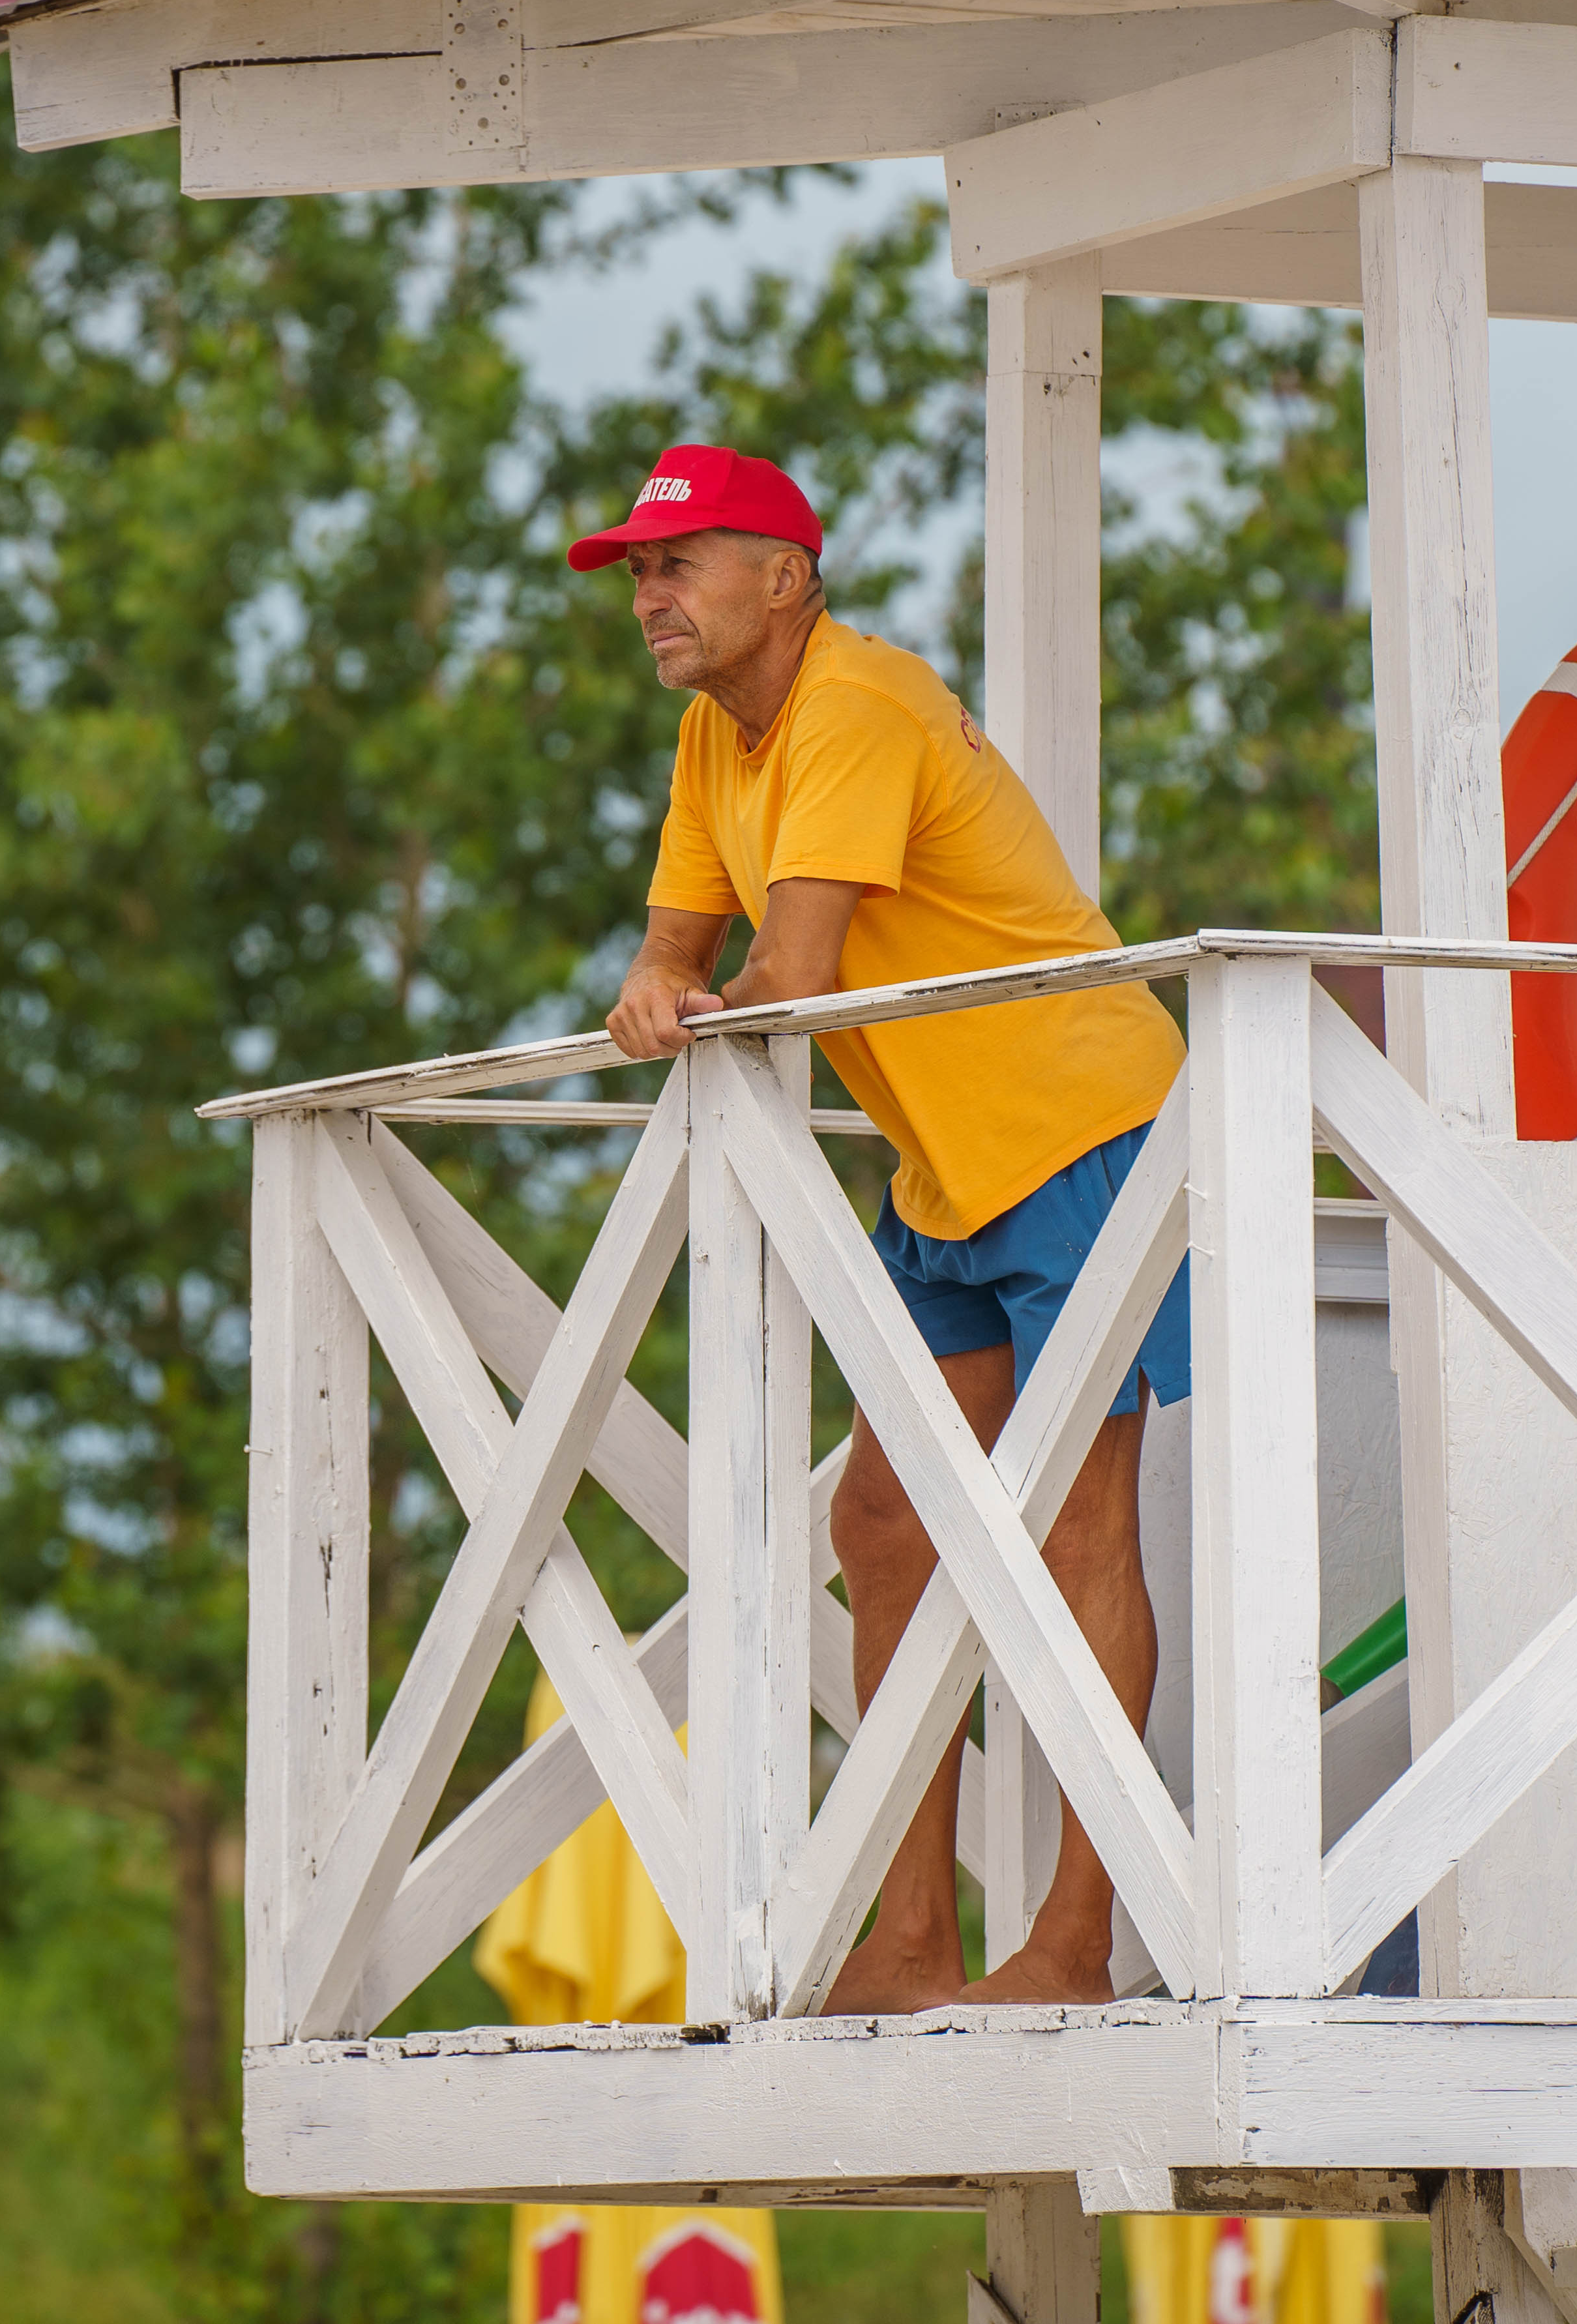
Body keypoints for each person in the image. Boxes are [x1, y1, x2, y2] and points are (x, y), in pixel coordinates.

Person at [580, 443, 1188, 2012]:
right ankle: (916, 1938)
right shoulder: (720, 736)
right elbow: (677, 948)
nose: (649, 596)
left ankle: (1074, 1950)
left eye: (679, 563)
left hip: (1079, 1131)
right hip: (944, 1167)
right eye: (638, 572)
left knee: (1073, 1535)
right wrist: (655, 986)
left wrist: (692, 999)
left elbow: (795, 972)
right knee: (886, 1529)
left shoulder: (851, 700)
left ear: (787, 576)